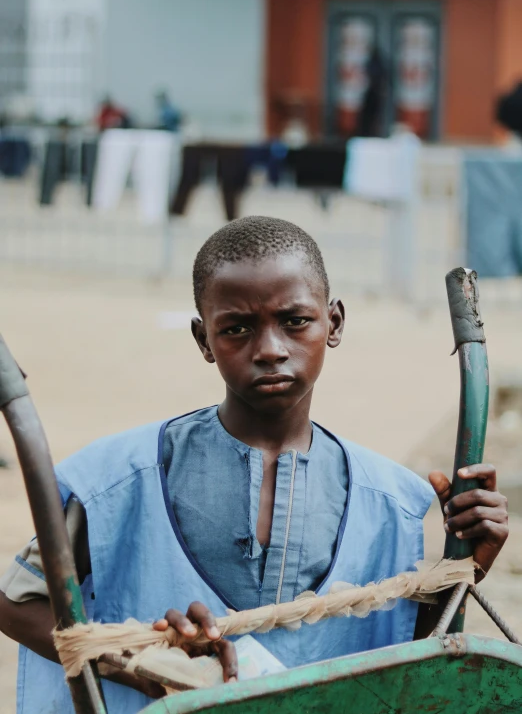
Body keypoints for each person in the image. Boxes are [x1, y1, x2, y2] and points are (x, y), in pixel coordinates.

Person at [0, 216, 509, 714]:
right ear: (204, 340)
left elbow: (404, 661)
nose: (269, 350)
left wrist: (465, 566)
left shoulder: (394, 503)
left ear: (333, 322)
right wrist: (143, 664)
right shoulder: (117, 481)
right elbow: (17, 603)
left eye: (294, 321)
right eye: (237, 329)